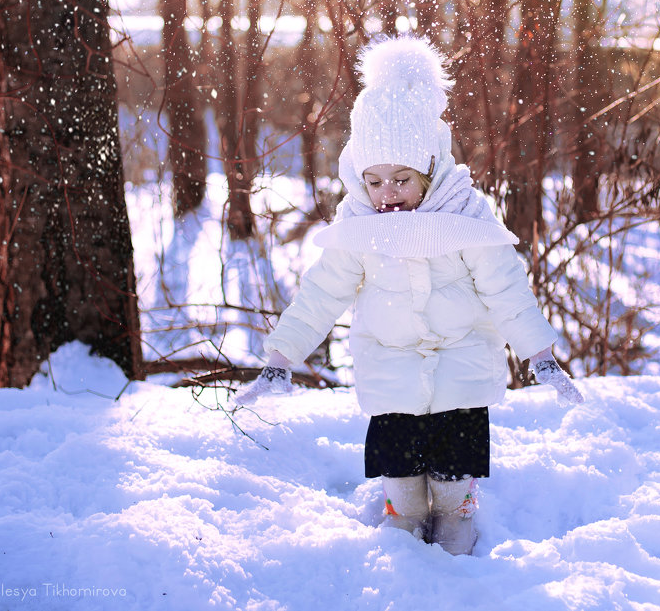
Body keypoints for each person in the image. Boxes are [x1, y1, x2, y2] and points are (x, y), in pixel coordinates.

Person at [236, 36, 584, 556]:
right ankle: (403, 514)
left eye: (402, 179)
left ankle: (456, 512)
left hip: (461, 376)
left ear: (430, 170)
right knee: (400, 476)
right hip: (391, 376)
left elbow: (505, 288)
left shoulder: (464, 214)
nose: (387, 193)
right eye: (374, 181)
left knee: (450, 477)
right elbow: (321, 295)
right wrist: (281, 357)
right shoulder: (357, 223)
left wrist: (538, 353)